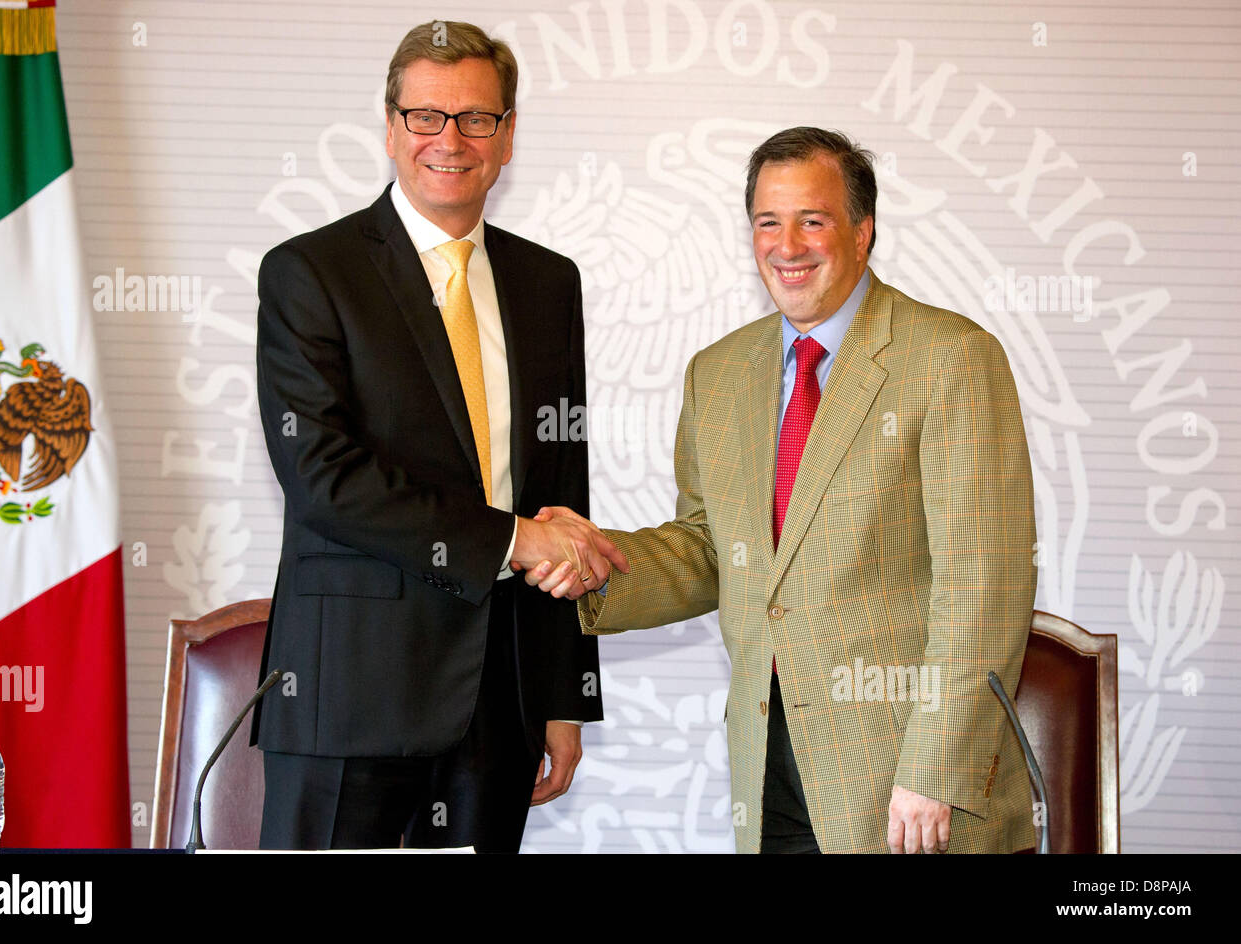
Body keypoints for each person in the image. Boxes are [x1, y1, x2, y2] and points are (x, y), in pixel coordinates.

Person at [523, 128, 1038, 854]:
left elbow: (983, 588)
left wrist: (936, 772)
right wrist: (593, 565)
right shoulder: (719, 374)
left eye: (813, 220)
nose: (786, 244)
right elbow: (710, 549)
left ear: (864, 232)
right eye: (768, 222)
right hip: (769, 772)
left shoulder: (951, 358)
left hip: (911, 791)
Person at [251, 20, 625, 853]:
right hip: (347, 695)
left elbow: (561, 490)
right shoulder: (311, 272)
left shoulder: (546, 282)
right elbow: (322, 476)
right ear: (390, 129)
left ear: (509, 136)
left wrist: (561, 696)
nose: (449, 140)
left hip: (502, 700)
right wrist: (514, 539)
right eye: (425, 116)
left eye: (476, 119)